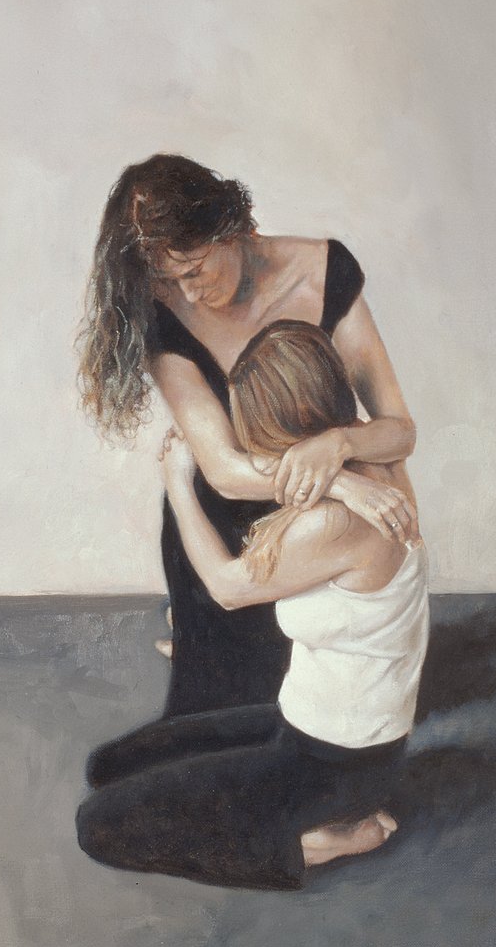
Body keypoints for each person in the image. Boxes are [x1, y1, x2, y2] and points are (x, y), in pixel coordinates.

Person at [75, 322, 429, 891]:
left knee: (98, 826)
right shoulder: (371, 465)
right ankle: (295, 820)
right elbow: (315, 469)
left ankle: (313, 843)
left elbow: (227, 587)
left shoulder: (335, 525)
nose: (251, 450)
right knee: (108, 767)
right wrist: (339, 479)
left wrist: (179, 485)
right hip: (301, 725)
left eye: (256, 435)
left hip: (336, 764)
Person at [78, 154, 419, 718]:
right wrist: (341, 483)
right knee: (220, 718)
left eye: (193, 270)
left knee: (324, 708)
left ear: (229, 226)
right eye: (167, 280)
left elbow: (399, 432)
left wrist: (338, 446)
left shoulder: (324, 273)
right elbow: (223, 470)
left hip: (324, 531)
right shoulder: (164, 312)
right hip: (224, 528)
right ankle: (195, 638)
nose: (186, 294)